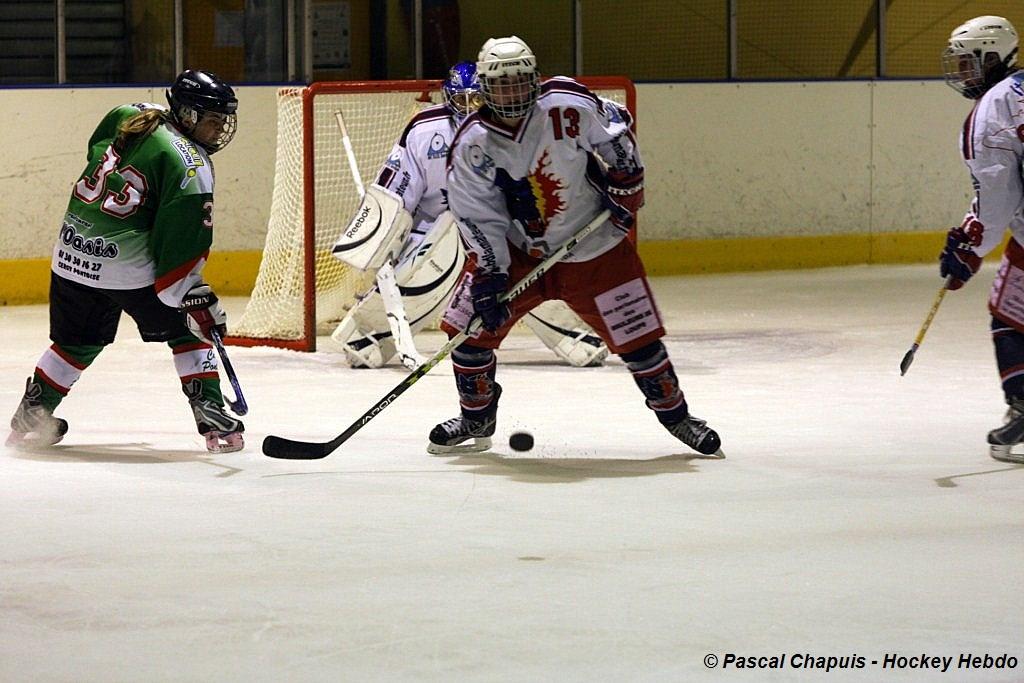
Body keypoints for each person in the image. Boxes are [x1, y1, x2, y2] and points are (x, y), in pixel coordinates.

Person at [427, 35, 722, 456]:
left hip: (593, 244)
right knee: (468, 331)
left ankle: (678, 418)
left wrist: (626, 183)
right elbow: (476, 215)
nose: (512, 92)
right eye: (501, 84)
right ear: (486, 88)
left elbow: (615, 131)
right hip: (518, 253)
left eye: (519, 81)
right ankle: (477, 418)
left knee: (637, 338)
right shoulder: (472, 145)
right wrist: (490, 273)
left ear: (534, 80)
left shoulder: (567, 104)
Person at [7, 69, 245, 453]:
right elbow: (180, 247)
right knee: (187, 330)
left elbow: (96, 150)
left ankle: (31, 420)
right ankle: (213, 417)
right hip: (126, 270)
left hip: (71, 253)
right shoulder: (192, 166)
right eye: (213, 120)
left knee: (75, 342)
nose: (219, 131)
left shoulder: (131, 114)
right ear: (186, 116)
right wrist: (194, 299)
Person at [333, 60, 609, 370]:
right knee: (421, 267)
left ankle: (574, 336)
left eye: (476, 98)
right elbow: (396, 191)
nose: (468, 107)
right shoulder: (425, 130)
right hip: (435, 231)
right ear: (448, 98)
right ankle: (368, 335)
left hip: (499, 230)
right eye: (461, 99)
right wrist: (381, 232)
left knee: (530, 267)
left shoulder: (520, 127)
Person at [939, 15, 1024, 463]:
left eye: (969, 64)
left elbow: (997, 200)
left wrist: (968, 248)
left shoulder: (993, 109)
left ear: (994, 57)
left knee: (1008, 316)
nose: (962, 75)